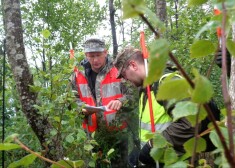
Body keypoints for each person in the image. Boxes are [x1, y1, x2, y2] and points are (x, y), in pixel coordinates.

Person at [113, 46, 197, 167]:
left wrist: (152, 145)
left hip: (176, 162)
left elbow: (190, 124)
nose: (125, 79)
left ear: (133, 65)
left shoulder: (167, 83)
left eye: (124, 74)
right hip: (159, 160)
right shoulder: (146, 88)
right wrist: (141, 150)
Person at [70, 37, 133, 168]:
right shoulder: (77, 74)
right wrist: (80, 108)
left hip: (117, 134)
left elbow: (134, 95)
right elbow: (71, 99)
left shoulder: (118, 70)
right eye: (91, 56)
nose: (95, 60)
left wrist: (121, 101)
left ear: (105, 52)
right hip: (91, 136)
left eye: (98, 55)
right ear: (85, 55)